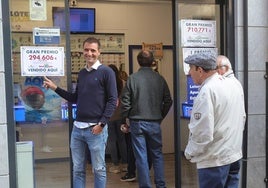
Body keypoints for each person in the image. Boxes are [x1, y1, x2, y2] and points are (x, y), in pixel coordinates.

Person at [43, 37, 117, 188]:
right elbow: (75, 98)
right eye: (86, 50)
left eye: (93, 50)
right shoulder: (82, 73)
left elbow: (112, 100)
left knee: (99, 169)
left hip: (96, 130)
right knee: (77, 170)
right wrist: (54, 87)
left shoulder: (106, 72)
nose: (89, 53)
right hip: (77, 130)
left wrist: (101, 124)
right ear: (83, 51)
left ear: (99, 52)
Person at [183, 53, 246, 188]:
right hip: (233, 156)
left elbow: (202, 133)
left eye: (191, 68)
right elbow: (243, 118)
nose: (189, 73)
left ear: (200, 70)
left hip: (214, 161)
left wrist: (189, 153)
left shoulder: (207, 91)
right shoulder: (234, 85)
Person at [120, 50, 173, 188]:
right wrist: (160, 116)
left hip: (137, 122)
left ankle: (145, 185)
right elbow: (168, 100)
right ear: (152, 62)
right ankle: (161, 185)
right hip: (154, 122)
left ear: (138, 62)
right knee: (157, 154)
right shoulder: (159, 78)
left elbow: (125, 101)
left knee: (141, 156)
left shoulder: (132, 78)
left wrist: (125, 119)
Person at [107, 64, 128, 174]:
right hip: (121, 116)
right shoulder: (122, 83)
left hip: (109, 116)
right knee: (122, 140)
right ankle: (125, 164)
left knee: (112, 141)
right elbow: (125, 101)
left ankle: (115, 165)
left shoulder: (106, 84)